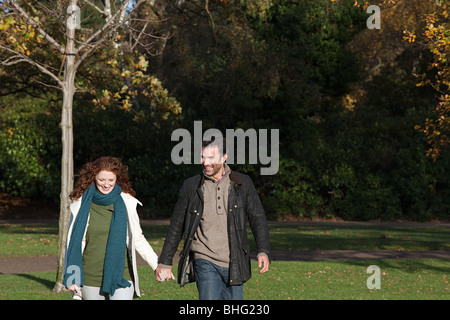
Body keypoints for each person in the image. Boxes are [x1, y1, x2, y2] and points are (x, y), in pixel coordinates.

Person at [155, 138, 270, 300]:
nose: (205, 162)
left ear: (224, 157)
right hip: (204, 259)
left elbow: (258, 218)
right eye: (203, 157)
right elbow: (176, 225)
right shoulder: (191, 186)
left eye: (211, 158)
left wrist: (263, 250)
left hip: (235, 261)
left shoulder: (242, 183)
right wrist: (165, 262)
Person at [63, 156, 158, 300]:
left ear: (117, 179)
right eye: (102, 180)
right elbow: (73, 244)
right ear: (93, 177)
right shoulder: (81, 205)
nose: (106, 184)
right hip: (90, 275)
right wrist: (71, 277)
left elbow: (137, 238)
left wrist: (158, 265)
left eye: (111, 180)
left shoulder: (127, 202)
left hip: (122, 273)